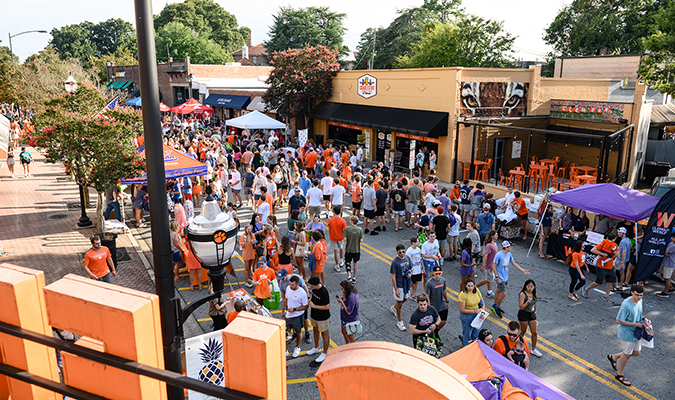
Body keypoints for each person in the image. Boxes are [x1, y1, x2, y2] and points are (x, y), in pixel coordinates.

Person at [608, 285, 648, 387]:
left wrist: (644, 319)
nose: (639, 297)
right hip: (627, 333)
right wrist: (636, 324)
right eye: (637, 295)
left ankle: (614, 357)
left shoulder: (639, 301)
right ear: (632, 293)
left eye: (641, 295)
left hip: (636, 332)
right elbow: (619, 320)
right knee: (627, 354)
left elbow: (638, 315)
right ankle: (619, 375)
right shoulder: (626, 304)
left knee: (636, 353)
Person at [491, 241, 530, 319]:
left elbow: (514, 263)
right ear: (506, 247)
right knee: (503, 294)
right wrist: (497, 277)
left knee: (498, 290)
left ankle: (494, 305)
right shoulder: (498, 255)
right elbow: (493, 267)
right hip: (501, 278)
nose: (511, 248)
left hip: (505, 277)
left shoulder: (509, 254)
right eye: (510, 247)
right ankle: (497, 308)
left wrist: (522, 270)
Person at [582, 232, 620, 304]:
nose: (613, 241)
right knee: (598, 282)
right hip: (601, 267)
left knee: (610, 282)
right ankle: (586, 289)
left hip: (610, 267)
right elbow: (593, 250)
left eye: (614, 240)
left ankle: (606, 296)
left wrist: (613, 250)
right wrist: (603, 254)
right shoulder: (603, 244)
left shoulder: (614, 245)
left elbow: (618, 255)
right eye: (612, 240)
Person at [283, 275, 309, 358]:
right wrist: (283, 310)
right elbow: (286, 299)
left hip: (297, 316)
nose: (290, 286)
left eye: (292, 285)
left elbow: (306, 306)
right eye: (290, 284)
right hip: (288, 315)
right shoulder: (288, 288)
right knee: (286, 332)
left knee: (298, 332)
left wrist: (294, 309)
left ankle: (297, 347)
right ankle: (285, 349)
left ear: (297, 284)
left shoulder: (302, 293)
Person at [306, 276, 331, 363]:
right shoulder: (314, 289)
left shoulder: (324, 292)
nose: (311, 287)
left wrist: (314, 306)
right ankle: (316, 347)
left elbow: (327, 306)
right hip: (314, 315)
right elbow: (313, 295)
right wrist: (310, 300)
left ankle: (325, 352)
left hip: (323, 317)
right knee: (315, 331)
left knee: (325, 334)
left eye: (312, 286)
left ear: (317, 285)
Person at [391, 243, 413, 331]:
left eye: (403, 251)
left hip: (406, 283)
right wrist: (396, 289)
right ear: (397, 252)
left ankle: (394, 307)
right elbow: (393, 276)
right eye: (400, 252)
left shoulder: (407, 258)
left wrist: (410, 274)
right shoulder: (395, 262)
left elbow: (411, 268)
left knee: (405, 298)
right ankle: (400, 321)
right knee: (400, 304)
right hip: (399, 284)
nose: (402, 253)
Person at [518, 279, 542, 357]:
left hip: (531, 314)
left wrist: (535, 312)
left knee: (534, 333)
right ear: (525, 286)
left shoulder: (535, 294)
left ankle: (534, 349)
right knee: (523, 332)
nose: (530, 288)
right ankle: (518, 346)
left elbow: (534, 304)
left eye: (531, 286)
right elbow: (521, 307)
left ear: (534, 287)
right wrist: (528, 301)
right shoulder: (522, 294)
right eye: (528, 286)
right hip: (523, 314)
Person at [458, 278, 484, 346]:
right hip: (467, 316)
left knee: (476, 333)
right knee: (467, 334)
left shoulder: (476, 290)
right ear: (465, 286)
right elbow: (462, 309)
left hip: (477, 314)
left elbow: (482, 302)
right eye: (468, 286)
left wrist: (482, 312)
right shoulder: (463, 295)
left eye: (472, 286)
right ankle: (466, 347)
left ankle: (471, 344)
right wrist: (474, 311)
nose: (470, 288)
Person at [425, 266, 449, 333]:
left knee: (443, 321)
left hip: (442, 304)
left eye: (439, 273)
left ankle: (435, 332)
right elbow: (427, 295)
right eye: (436, 274)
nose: (438, 275)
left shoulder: (443, 280)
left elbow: (444, 290)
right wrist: (429, 307)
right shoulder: (429, 283)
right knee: (434, 322)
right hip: (434, 306)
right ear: (433, 273)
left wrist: (447, 301)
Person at [337, 280, 359, 344]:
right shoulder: (350, 293)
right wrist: (343, 299)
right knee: (344, 332)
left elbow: (349, 312)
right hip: (344, 318)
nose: (342, 290)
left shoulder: (351, 297)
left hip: (349, 319)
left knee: (350, 335)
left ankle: (353, 350)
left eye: (342, 289)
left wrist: (342, 302)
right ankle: (347, 346)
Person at [477, 230, 498, 298]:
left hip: (493, 265)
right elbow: (485, 255)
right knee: (488, 279)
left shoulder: (494, 243)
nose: (497, 236)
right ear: (492, 236)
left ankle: (489, 291)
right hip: (489, 265)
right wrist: (483, 265)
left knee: (490, 278)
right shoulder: (489, 245)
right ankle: (475, 287)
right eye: (496, 235)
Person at [343, 215, 364, 283]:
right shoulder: (360, 229)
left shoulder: (347, 229)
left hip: (349, 249)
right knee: (355, 263)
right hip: (356, 249)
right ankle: (354, 277)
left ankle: (349, 276)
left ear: (352, 221)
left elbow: (345, 239)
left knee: (347, 262)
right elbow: (361, 240)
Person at [327, 206, 347, 272]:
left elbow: (329, 228)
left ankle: (337, 265)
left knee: (336, 252)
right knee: (341, 248)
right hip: (341, 237)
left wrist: (330, 234)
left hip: (333, 237)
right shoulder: (343, 221)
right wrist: (345, 237)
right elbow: (344, 230)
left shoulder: (330, 220)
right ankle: (341, 261)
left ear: (334, 212)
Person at [657, 232, 675, 297]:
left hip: (669, 264)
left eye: (673, 237)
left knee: (667, 278)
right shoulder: (671, 244)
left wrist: (666, 253)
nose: (672, 238)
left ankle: (666, 292)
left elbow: (665, 252)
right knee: (662, 274)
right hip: (665, 262)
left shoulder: (673, 246)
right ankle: (671, 288)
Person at [615, 227, 632, 292]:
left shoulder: (623, 241)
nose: (618, 234)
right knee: (622, 272)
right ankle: (620, 285)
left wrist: (622, 262)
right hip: (623, 259)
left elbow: (624, 252)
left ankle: (617, 284)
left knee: (613, 271)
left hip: (620, 259)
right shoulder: (628, 240)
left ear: (624, 233)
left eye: (620, 233)